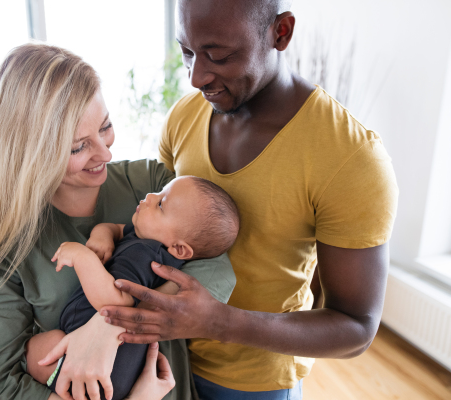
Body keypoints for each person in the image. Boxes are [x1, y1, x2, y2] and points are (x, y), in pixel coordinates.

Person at [99, 0, 399, 399]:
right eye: (187, 51)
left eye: (218, 55)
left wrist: (219, 322)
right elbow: (160, 231)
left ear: (281, 33)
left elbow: (356, 328)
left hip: (252, 386)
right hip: (162, 363)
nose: (195, 76)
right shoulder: (185, 116)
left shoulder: (352, 158)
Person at [0, 43, 236, 400]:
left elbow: (218, 270)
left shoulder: (150, 186)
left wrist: (109, 328)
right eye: (77, 147)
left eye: (106, 127)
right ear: (30, 153)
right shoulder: (10, 244)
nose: (105, 153)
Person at [26, 176, 239, 400]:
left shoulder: (145, 256)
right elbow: (116, 229)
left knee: (36, 351)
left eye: (160, 204)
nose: (149, 197)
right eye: (159, 192)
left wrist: (83, 257)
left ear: (179, 248)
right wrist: (103, 234)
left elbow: (118, 304)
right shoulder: (145, 237)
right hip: (116, 369)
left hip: (108, 370)